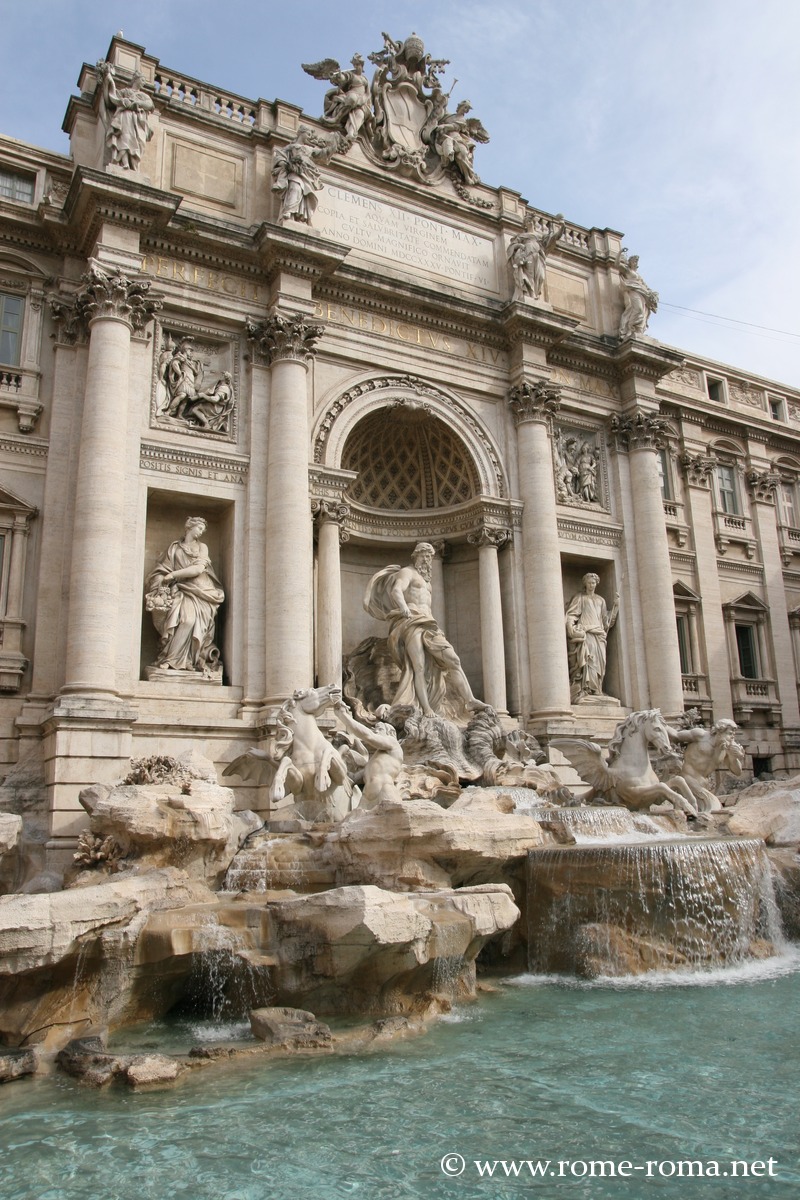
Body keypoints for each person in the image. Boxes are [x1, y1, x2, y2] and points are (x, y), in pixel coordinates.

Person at [364, 542, 489, 721]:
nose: (427, 559)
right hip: (411, 621)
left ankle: (469, 700)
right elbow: (396, 590)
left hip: (430, 624)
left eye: (430, 556)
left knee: (453, 659)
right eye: (424, 555)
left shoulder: (427, 582)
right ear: (415, 556)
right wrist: (403, 607)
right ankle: (425, 708)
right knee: (419, 667)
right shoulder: (407, 572)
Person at [145, 517, 225, 675]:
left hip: (202, 591)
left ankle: (183, 660)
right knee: (179, 619)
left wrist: (173, 575)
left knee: (189, 621)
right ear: (190, 527)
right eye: (199, 528)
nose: (201, 532)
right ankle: (174, 659)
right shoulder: (175, 548)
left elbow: (197, 570)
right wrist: (162, 579)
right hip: (181, 589)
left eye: (203, 529)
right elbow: (163, 569)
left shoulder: (202, 547)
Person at [333, 700, 404, 806]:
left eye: (379, 729)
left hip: (385, 791)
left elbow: (369, 736)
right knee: (352, 822)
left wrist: (344, 716)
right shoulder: (375, 760)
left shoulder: (393, 745)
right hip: (366, 798)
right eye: (374, 729)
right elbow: (353, 777)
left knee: (394, 821)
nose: (375, 731)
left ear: (391, 732)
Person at [664, 719, 744, 812]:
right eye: (730, 734)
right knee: (714, 806)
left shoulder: (726, 749)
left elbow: (737, 771)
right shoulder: (700, 735)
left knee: (694, 812)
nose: (732, 738)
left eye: (733, 735)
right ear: (719, 731)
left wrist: (733, 757)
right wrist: (660, 723)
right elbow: (676, 735)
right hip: (687, 779)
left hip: (703, 785)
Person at [565, 573, 619, 701]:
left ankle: (597, 688)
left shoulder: (601, 600)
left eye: (593, 583)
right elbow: (572, 614)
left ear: (596, 584)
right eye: (589, 583)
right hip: (587, 632)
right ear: (585, 584)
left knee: (600, 663)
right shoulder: (580, 598)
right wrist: (570, 627)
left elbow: (607, 621)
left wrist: (616, 607)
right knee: (589, 661)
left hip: (599, 634)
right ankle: (587, 689)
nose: (591, 585)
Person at [97, 63, 154, 171]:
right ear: (136, 79)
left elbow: (150, 105)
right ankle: (124, 163)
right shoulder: (125, 92)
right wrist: (108, 81)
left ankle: (127, 162)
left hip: (137, 121)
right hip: (126, 117)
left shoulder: (144, 96)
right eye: (142, 80)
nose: (143, 83)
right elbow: (111, 98)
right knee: (125, 139)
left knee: (138, 144)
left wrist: (136, 103)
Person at [272, 128, 326, 224]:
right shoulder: (291, 147)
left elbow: (323, 153)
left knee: (305, 192)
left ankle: (302, 216)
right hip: (295, 172)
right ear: (301, 133)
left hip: (307, 174)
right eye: (308, 134)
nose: (310, 137)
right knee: (295, 188)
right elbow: (279, 155)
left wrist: (331, 145)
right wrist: (285, 164)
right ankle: (289, 211)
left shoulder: (310, 149)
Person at [508, 215, 566, 302]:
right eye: (527, 221)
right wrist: (519, 245)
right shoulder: (522, 236)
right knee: (529, 275)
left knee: (541, 276)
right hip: (528, 255)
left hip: (538, 256)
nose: (530, 222)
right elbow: (511, 247)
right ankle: (530, 295)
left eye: (531, 221)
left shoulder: (540, 236)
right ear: (525, 225)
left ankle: (534, 293)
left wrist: (562, 227)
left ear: (534, 223)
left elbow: (554, 238)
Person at [618, 250, 659, 339]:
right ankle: (630, 328)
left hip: (642, 293)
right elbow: (617, 265)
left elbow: (645, 285)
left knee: (643, 311)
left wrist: (652, 293)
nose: (635, 263)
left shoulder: (638, 275)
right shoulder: (627, 270)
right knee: (638, 309)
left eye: (636, 261)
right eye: (634, 261)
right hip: (633, 291)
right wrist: (619, 253)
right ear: (630, 262)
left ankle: (638, 330)